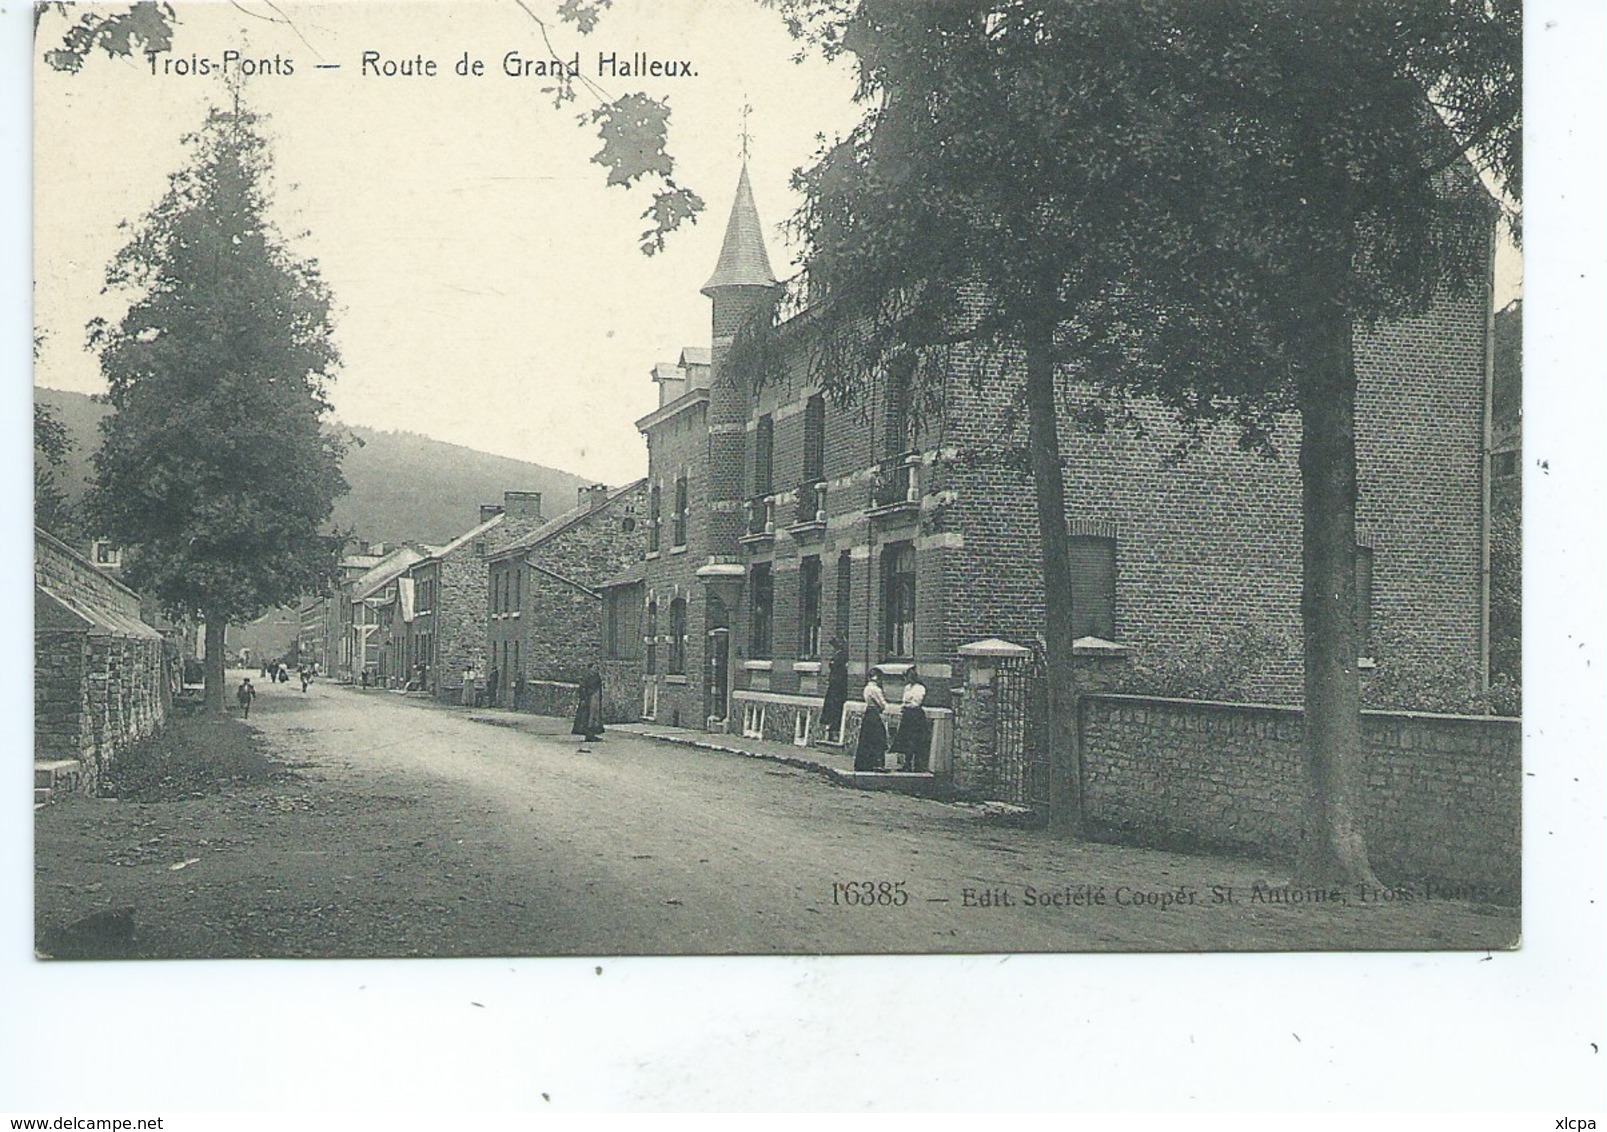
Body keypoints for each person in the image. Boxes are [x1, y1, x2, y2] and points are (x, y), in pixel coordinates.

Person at [890, 666, 931, 772]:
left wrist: (907, 704)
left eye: (907, 677)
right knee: (906, 740)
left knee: (916, 739)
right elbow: (904, 700)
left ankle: (918, 765)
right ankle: (906, 764)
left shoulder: (920, 688)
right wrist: (906, 704)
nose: (906, 680)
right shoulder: (907, 687)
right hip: (907, 716)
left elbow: (916, 702)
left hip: (916, 716)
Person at [854, 669, 889, 772]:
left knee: (867, 738)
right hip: (874, 714)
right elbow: (882, 704)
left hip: (868, 713)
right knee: (878, 738)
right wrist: (885, 708)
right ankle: (877, 763)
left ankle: (865, 762)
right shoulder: (876, 689)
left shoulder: (866, 688)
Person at [821, 637, 849, 743]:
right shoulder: (838, 655)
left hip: (838, 687)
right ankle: (831, 730)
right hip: (834, 686)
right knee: (832, 708)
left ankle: (833, 731)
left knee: (835, 709)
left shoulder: (842, 655)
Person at [572, 664, 605, 742]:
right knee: (587, 718)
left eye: (596, 668)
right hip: (588, 700)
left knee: (594, 718)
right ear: (590, 669)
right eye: (594, 668)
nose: (595, 669)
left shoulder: (597, 677)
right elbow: (583, 688)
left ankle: (592, 734)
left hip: (595, 700)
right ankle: (588, 735)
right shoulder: (587, 677)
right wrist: (583, 698)